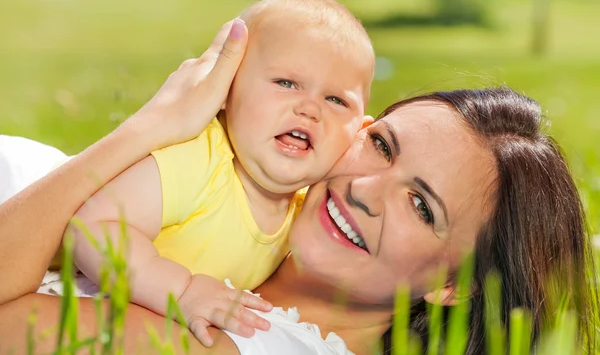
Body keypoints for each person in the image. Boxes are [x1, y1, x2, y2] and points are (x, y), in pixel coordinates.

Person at [0, 21, 596, 355]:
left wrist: (145, 129)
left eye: (421, 205)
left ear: (450, 286)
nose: (364, 187)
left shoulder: (259, 344)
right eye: (382, 145)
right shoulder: (242, 209)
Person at [30, 0, 374, 346]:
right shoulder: (201, 160)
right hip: (58, 288)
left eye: (335, 100)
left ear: (360, 132)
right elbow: (93, 228)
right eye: (286, 83)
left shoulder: (307, 213)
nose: (310, 108)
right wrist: (182, 291)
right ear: (225, 89)